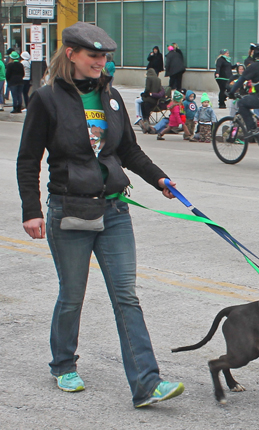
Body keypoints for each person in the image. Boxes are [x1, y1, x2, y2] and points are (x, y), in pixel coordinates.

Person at [16, 21, 184, 408]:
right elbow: (28, 161)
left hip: (114, 210)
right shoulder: (46, 99)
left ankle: (146, 383)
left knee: (126, 296)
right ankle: (63, 363)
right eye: (94, 55)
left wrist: (160, 179)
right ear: (71, 54)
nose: (101, 62)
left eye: (105, 56)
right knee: (73, 296)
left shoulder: (110, 98)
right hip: (68, 210)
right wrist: (32, 211)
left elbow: (129, 151)